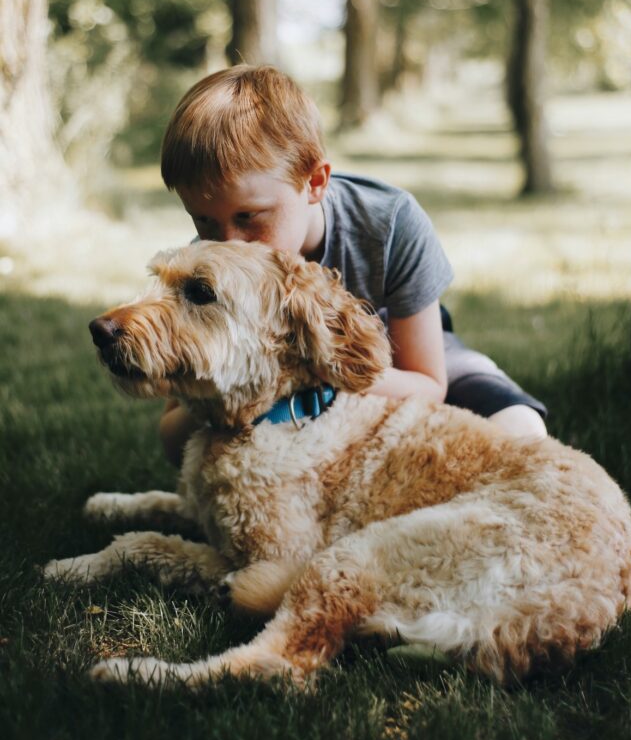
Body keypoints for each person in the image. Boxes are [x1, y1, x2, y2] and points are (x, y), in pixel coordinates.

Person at [158, 64, 547, 467]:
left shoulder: (389, 224)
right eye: (203, 221)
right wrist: (223, 391)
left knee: (522, 428)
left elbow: (429, 384)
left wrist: (317, 369)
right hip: (274, 394)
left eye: (248, 217)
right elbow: (173, 439)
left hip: (400, 358)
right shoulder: (206, 275)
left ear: (314, 183)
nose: (227, 244)